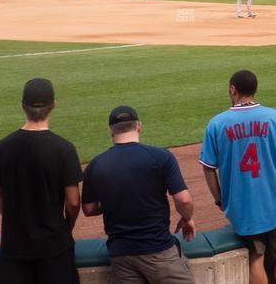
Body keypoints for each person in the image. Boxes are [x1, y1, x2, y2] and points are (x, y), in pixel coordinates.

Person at [0, 78, 82, 284]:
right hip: (55, 248)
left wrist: (18, 219)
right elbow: (73, 202)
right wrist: (64, 228)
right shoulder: (64, 149)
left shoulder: (1, 148)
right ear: (53, 106)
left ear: (22, 106)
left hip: (14, 247)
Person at [200, 70, 276, 284]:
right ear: (255, 89)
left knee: (256, 258)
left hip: (242, 205)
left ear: (232, 89)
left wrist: (220, 198)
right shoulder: (275, 118)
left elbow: (208, 169)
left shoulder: (217, 124)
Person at [84, 106, 196, 284]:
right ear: (138, 126)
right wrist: (187, 217)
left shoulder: (95, 165)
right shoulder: (161, 157)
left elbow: (89, 209)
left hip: (121, 256)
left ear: (111, 131)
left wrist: (117, 199)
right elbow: (183, 199)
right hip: (158, 250)